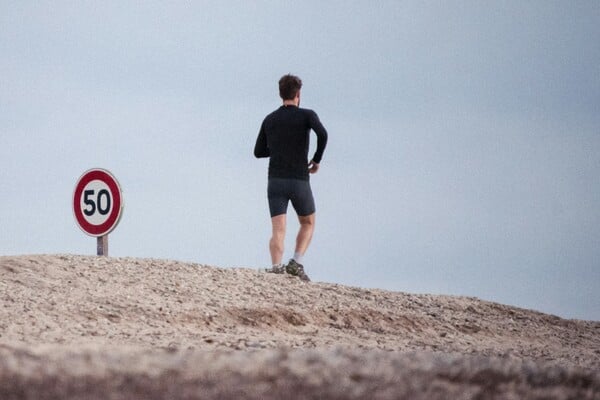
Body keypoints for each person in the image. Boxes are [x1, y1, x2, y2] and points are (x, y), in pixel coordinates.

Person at [254, 74, 328, 281]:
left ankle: (276, 266)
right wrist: (316, 159)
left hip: (275, 180)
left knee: (278, 228)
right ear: (298, 94)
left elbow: (258, 151)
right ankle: (296, 262)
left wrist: (279, 148)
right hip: (299, 179)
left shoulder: (270, 119)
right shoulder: (307, 116)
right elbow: (323, 134)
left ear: (281, 94)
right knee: (308, 222)